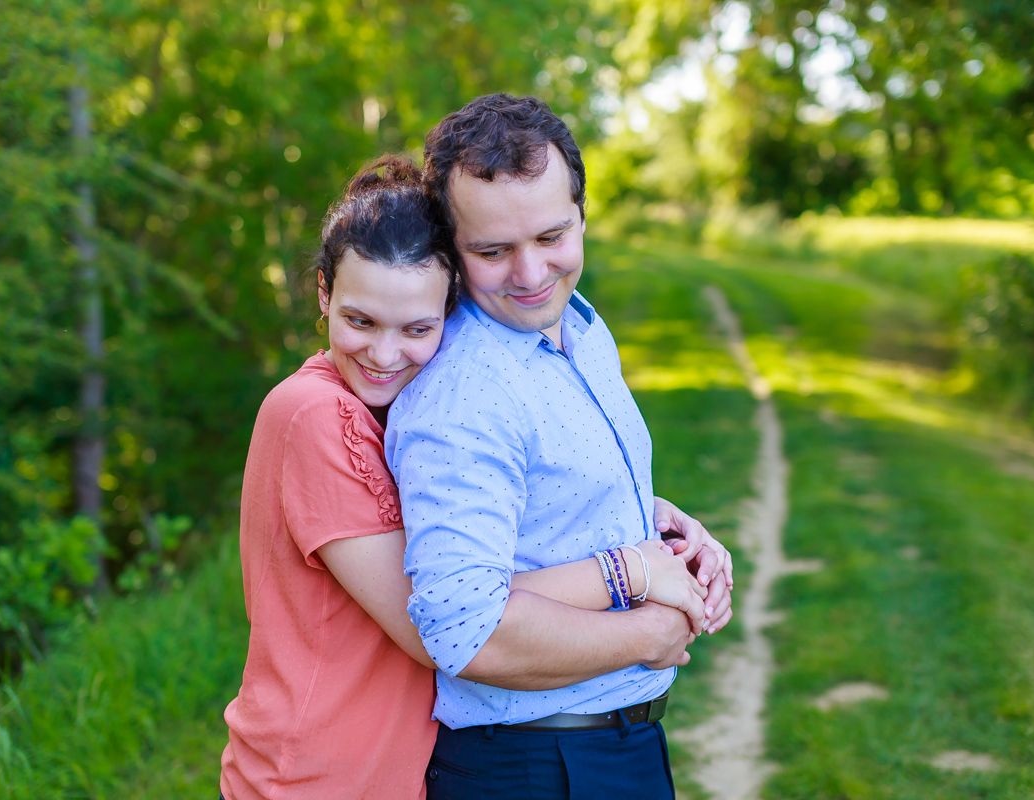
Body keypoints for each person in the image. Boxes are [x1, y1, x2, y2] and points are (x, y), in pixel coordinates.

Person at [219, 155, 717, 800]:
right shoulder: (312, 414)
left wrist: (644, 514)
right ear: (323, 294)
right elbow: (441, 624)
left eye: (418, 328)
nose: (385, 354)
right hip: (317, 774)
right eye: (359, 321)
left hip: (398, 769)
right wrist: (634, 585)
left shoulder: (399, 404)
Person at [385, 94, 734, 799]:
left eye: (552, 236)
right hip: (535, 767)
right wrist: (647, 633)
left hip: (616, 748)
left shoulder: (578, 325)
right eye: (492, 251)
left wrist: (665, 532)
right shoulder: (463, 394)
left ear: (581, 214)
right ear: (451, 249)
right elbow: (465, 631)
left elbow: (548, 497)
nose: (530, 273)